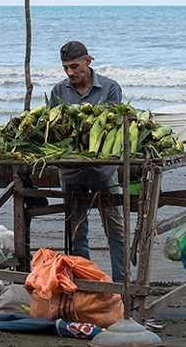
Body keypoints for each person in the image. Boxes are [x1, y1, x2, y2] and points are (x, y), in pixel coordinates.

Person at [49, 41, 125, 283]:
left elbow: (111, 127)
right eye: (65, 69)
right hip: (71, 173)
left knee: (115, 230)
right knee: (76, 232)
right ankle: (85, 285)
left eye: (74, 67)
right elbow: (54, 130)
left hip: (103, 170)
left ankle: (123, 285)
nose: (70, 73)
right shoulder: (58, 92)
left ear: (88, 61)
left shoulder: (110, 88)